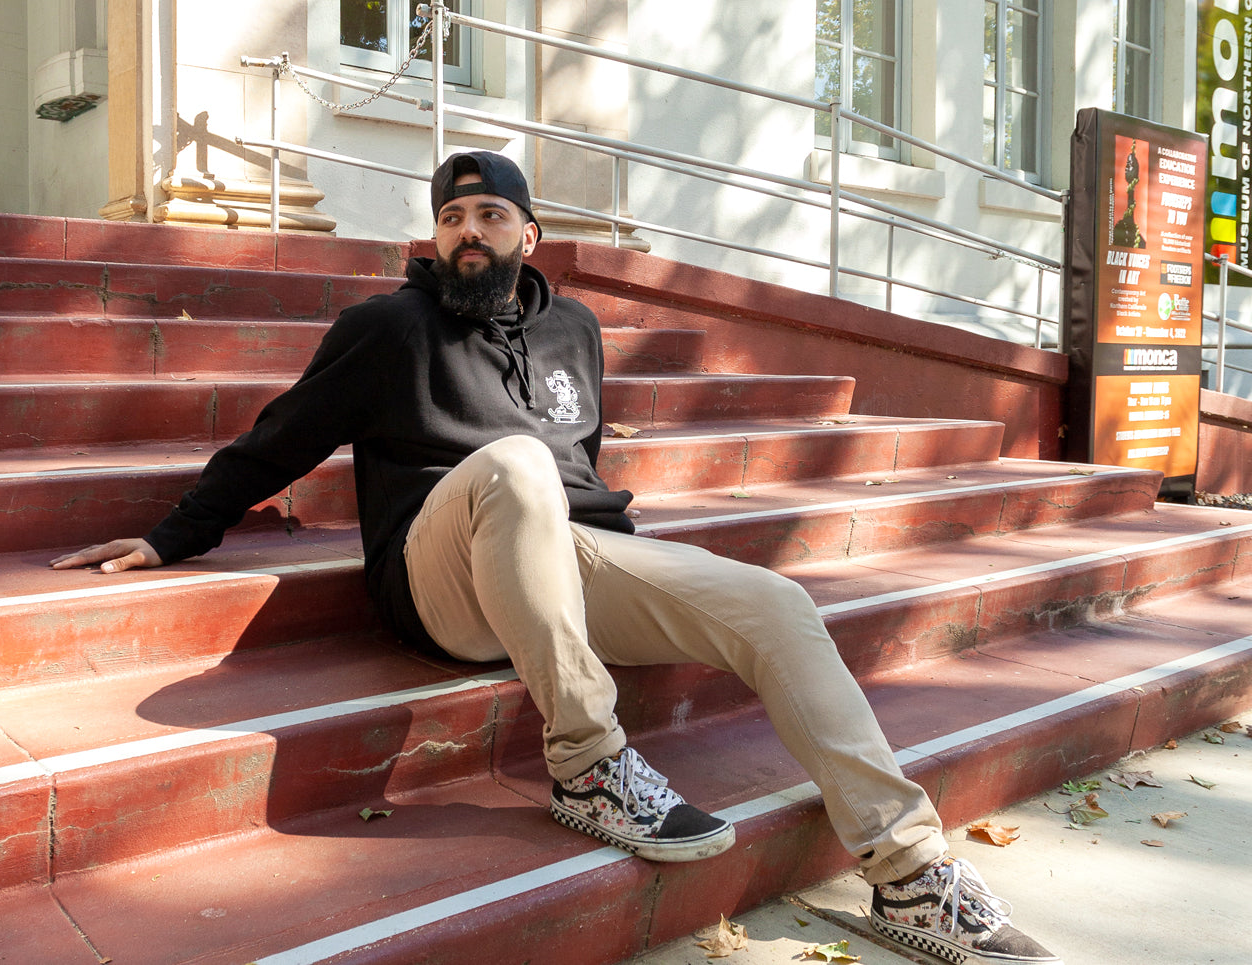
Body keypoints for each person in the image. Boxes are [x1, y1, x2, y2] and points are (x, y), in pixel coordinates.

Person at [52, 151, 1059, 965]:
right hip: (436, 572)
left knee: (773, 603)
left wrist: (619, 584)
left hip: (560, 547)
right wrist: (173, 532)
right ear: (432, 235)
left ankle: (908, 871)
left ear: (528, 236)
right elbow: (279, 440)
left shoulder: (574, 326)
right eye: (452, 218)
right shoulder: (384, 329)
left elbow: (582, 467)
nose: (468, 232)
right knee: (515, 465)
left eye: (490, 216)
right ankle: (585, 765)